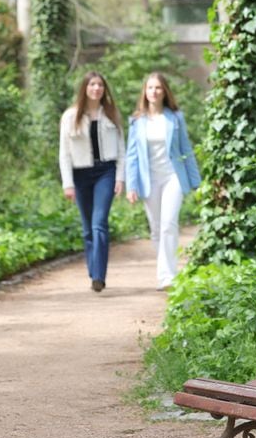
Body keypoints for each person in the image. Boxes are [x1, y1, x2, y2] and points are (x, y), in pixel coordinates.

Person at [125, 72, 201, 290]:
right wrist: (131, 185)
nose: (154, 92)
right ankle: (165, 271)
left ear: (164, 91)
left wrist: (196, 182)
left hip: (172, 177)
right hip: (149, 180)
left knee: (169, 224)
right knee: (157, 229)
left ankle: (167, 277)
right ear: (145, 92)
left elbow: (186, 149)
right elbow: (132, 156)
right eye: (150, 88)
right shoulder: (137, 121)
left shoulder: (175, 118)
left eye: (158, 88)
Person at [59, 71, 125, 293]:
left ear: (104, 89)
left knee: (99, 223)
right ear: (85, 88)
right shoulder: (70, 116)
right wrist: (67, 183)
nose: (96, 89)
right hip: (80, 174)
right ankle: (93, 271)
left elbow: (122, 150)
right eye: (92, 85)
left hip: (105, 171)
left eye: (100, 85)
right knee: (87, 229)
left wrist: (120, 178)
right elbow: (64, 154)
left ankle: (99, 276)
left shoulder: (111, 114)